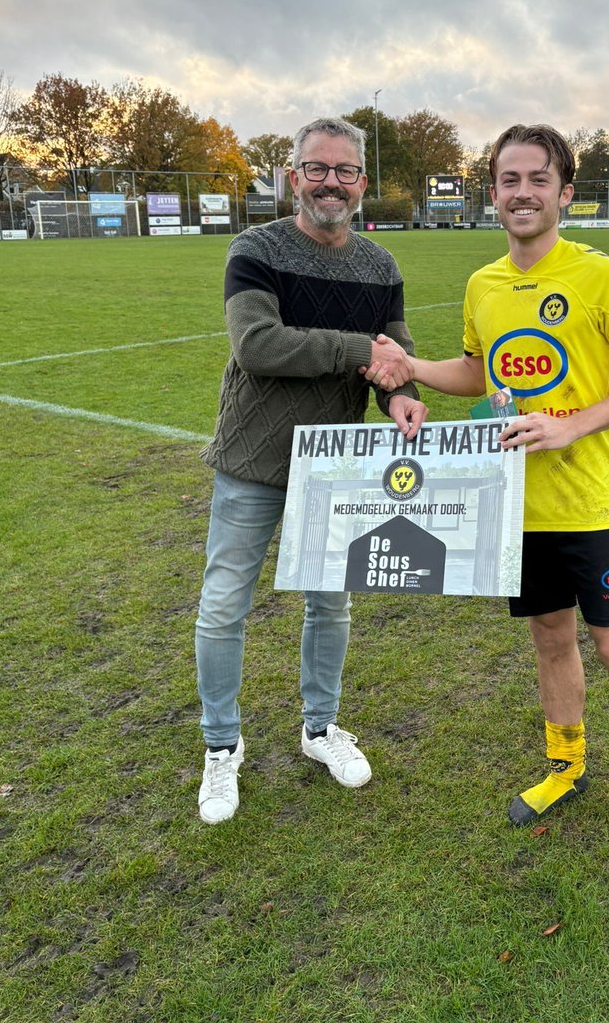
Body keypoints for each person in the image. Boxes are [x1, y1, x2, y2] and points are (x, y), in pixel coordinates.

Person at [367, 123, 609, 852]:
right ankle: (566, 767)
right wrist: (409, 367)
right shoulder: (483, 284)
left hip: (592, 506)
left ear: (565, 193)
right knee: (549, 639)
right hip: (518, 506)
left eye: (538, 179)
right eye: (509, 180)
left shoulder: (602, 276)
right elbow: (481, 374)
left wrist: (572, 427)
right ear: (494, 194)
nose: (523, 192)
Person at [195, 116, 427, 825]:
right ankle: (221, 748)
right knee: (223, 606)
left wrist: (402, 394)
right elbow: (260, 345)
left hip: (334, 466)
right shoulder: (255, 248)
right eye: (316, 168)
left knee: (331, 602)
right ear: (293, 175)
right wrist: (362, 349)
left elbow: (398, 348)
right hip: (252, 461)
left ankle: (320, 728)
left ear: (362, 182)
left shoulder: (380, 266)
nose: (331, 182)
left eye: (345, 170)